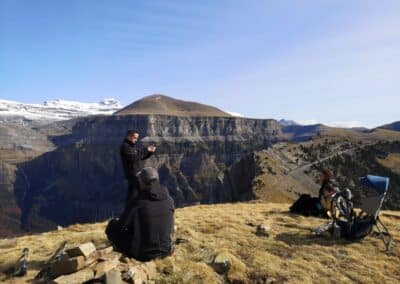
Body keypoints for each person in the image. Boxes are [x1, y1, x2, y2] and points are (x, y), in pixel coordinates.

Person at [106, 167, 175, 261]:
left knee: (111, 228)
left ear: (142, 182)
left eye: (139, 180)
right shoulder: (169, 200)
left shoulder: (138, 202)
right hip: (167, 251)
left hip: (144, 254)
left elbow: (121, 226)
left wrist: (114, 223)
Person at [120, 130, 156, 202]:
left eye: (137, 138)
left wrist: (150, 152)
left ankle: (134, 209)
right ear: (129, 136)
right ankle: (134, 209)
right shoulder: (125, 147)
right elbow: (134, 157)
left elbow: (141, 156)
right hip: (133, 174)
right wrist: (147, 149)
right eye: (135, 138)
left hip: (137, 174)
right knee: (136, 194)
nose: (136, 140)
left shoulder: (132, 146)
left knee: (135, 194)